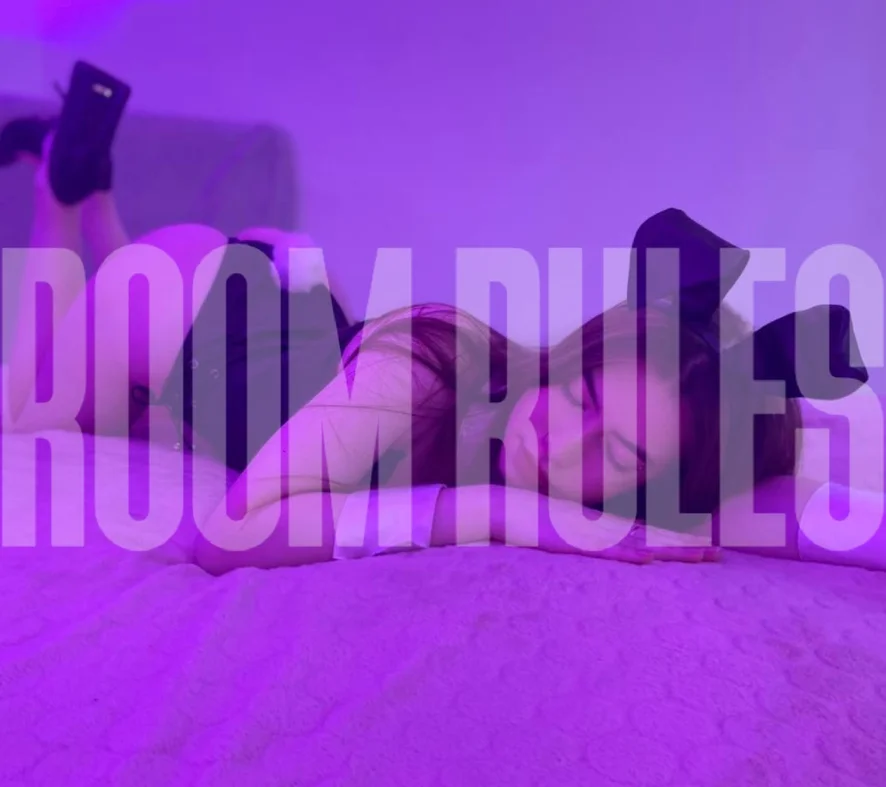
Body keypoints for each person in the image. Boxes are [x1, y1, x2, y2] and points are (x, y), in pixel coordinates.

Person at [1, 67, 880, 575]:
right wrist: (494, 511)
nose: (562, 439)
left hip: (291, 315)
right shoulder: (435, 363)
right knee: (35, 414)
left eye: (615, 454)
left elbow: (762, 506)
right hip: (177, 306)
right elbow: (227, 536)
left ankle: (92, 181)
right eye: (581, 398)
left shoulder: (646, 476)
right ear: (571, 356)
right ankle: (62, 190)